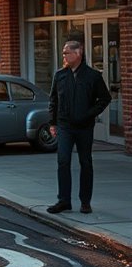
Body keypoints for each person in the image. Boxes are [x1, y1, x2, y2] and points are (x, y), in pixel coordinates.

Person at [46, 40, 111, 214]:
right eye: (63, 53)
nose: (64, 56)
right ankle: (64, 201)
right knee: (63, 161)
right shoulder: (60, 75)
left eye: (66, 52)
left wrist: (89, 114)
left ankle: (85, 202)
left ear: (78, 53)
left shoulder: (93, 76)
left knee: (85, 162)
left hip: (84, 127)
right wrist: (52, 123)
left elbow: (105, 98)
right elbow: (53, 100)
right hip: (64, 126)